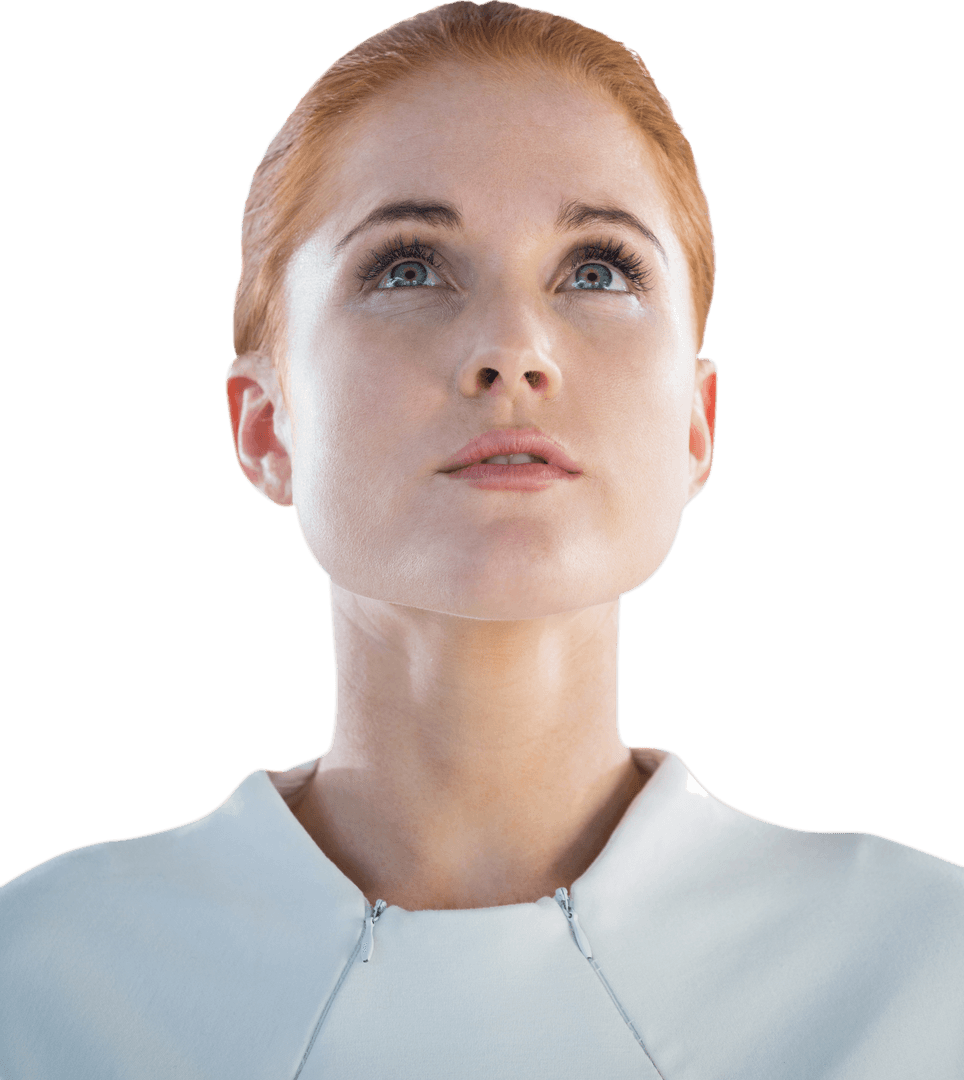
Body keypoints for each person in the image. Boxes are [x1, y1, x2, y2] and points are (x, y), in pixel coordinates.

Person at [2, 3, 961, 1077]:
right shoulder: (40, 985)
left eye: (597, 270)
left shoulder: (926, 976)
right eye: (408, 268)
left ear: (695, 429)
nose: (511, 348)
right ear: (266, 426)